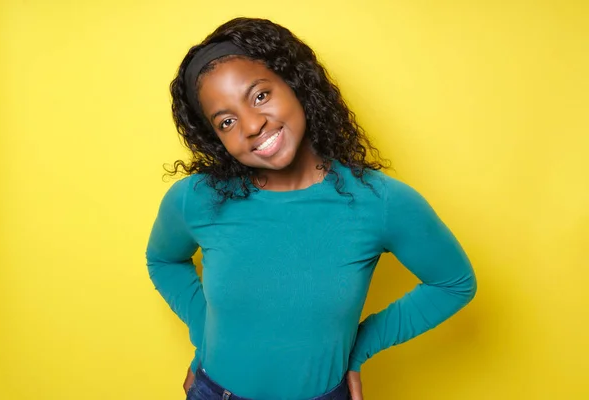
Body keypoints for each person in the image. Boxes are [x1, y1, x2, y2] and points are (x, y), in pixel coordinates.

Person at [145, 17, 477, 400]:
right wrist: (206, 332)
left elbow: (453, 283)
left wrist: (358, 349)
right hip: (212, 392)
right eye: (227, 121)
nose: (251, 125)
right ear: (215, 138)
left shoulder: (379, 201)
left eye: (260, 96)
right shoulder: (196, 198)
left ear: (296, 84)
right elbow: (163, 261)